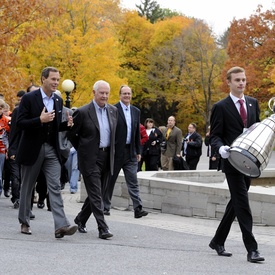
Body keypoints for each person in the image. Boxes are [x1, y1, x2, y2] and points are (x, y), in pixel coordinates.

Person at [209, 66, 264, 263]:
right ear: (229, 82)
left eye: (243, 79)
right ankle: (252, 249)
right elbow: (214, 136)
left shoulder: (252, 103)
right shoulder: (221, 107)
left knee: (236, 203)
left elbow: (256, 130)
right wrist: (220, 148)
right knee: (242, 203)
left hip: (248, 162)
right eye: (237, 80)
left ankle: (217, 240)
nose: (241, 83)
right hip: (231, 163)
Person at [16, 66, 77, 238]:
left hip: (51, 149)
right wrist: (39, 120)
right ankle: (24, 221)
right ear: (43, 79)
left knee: (55, 187)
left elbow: (56, 126)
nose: (56, 82)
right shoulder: (29, 98)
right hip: (32, 149)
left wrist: (67, 125)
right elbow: (20, 123)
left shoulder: (58, 101)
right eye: (53, 79)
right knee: (27, 187)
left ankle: (61, 225)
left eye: (58, 79)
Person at [68, 80, 117, 239]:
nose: (104, 96)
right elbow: (72, 134)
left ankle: (80, 219)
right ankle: (103, 228)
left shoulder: (113, 111)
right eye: (101, 93)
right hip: (89, 159)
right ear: (94, 92)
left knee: (99, 193)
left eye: (106, 93)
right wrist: (83, 149)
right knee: (96, 194)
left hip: (106, 156)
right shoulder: (83, 112)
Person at [102, 85, 148, 219]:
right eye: (124, 94)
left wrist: (138, 150)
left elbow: (136, 133)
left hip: (131, 152)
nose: (127, 96)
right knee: (110, 180)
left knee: (133, 180)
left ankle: (138, 208)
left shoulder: (135, 111)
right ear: (120, 95)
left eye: (129, 93)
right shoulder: (113, 109)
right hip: (116, 152)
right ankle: (105, 206)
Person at [8, 90, 26, 208]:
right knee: (16, 176)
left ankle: (24, 200)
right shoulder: (17, 111)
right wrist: (12, 150)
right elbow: (13, 132)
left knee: (25, 177)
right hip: (16, 148)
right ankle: (17, 198)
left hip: (28, 150)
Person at [0, 99, 10, 197]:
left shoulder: (7, 121)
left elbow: (9, 135)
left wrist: (8, 149)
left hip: (2, 149)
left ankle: (2, 188)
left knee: (1, 172)